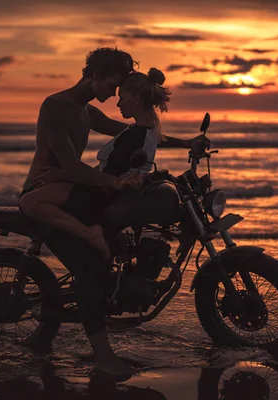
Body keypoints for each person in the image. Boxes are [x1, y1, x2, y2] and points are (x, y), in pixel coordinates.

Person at [18, 47, 208, 381]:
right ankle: (103, 358)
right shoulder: (56, 106)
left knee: (112, 249)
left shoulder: (86, 113)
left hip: (76, 191)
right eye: (111, 85)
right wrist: (115, 181)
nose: (113, 95)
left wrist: (184, 143)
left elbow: (138, 135)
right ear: (93, 76)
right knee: (89, 264)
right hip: (46, 193)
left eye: (120, 89)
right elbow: (69, 166)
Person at [19, 67, 171, 259]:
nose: (115, 99)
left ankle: (89, 233)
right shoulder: (146, 132)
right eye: (112, 87)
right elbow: (141, 143)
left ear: (137, 99)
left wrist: (60, 174)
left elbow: (107, 172)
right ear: (97, 76)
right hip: (95, 187)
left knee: (29, 202)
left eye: (121, 96)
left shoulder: (132, 134)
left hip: (95, 193)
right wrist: (186, 143)